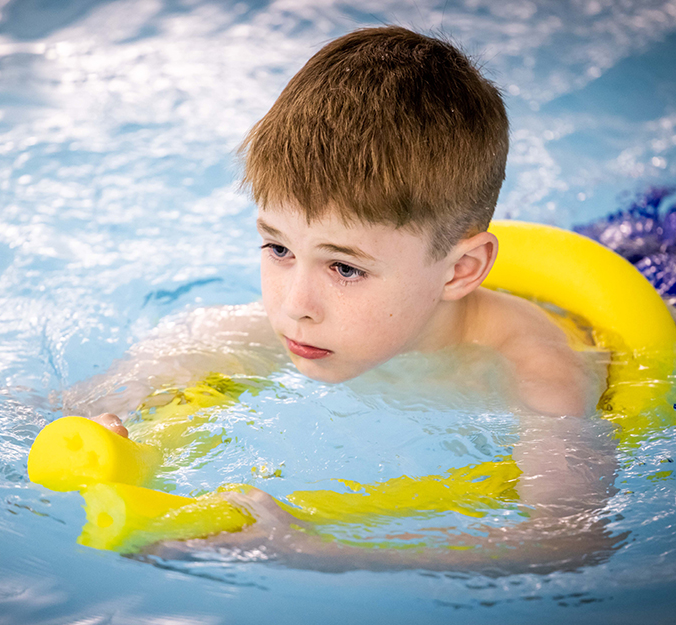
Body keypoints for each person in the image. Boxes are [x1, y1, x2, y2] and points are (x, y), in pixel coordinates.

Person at [64, 27, 617, 571]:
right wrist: (115, 427)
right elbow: (59, 413)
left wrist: (322, 553)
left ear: (460, 271)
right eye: (278, 248)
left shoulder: (539, 377)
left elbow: (568, 542)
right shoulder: (266, 327)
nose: (295, 305)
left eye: (344, 267)